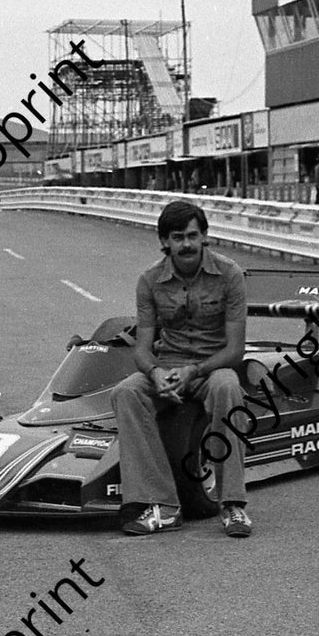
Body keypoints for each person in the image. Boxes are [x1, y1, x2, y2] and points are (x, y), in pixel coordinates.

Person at [109, 199, 251, 538]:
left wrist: (194, 371)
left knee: (228, 387)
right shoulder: (149, 281)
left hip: (212, 367)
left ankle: (232, 504)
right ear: (165, 242)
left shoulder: (229, 274)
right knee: (126, 392)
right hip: (168, 365)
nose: (186, 244)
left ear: (204, 237)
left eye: (192, 235)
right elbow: (142, 349)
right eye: (177, 237)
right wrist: (157, 374)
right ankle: (163, 506)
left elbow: (235, 350)